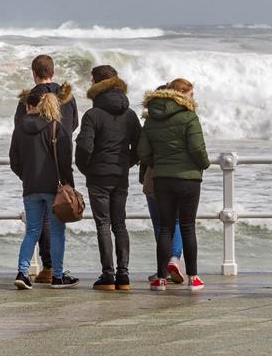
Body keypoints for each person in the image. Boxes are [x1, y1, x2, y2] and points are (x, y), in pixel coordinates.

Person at [138, 78, 211, 292]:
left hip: (162, 179)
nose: (193, 97)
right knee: (187, 227)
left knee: (165, 228)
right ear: (182, 94)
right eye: (191, 94)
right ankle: (194, 278)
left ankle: (160, 279)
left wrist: (159, 164)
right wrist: (203, 165)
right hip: (188, 179)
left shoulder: (152, 118)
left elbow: (143, 152)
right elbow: (198, 149)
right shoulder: (189, 117)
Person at [75, 65, 141, 291]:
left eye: (92, 81)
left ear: (98, 84)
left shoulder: (93, 114)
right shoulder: (130, 114)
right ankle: (123, 276)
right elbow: (139, 146)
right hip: (120, 175)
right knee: (120, 224)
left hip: (98, 176)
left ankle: (108, 275)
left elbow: (84, 146)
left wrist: (87, 168)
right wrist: (125, 163)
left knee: (103, 224)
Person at [15, 54, 78, 284]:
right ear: (53, 71)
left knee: (33, 229)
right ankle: (56, 275)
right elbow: (73, 126)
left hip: (31, 181)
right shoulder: (65, 101)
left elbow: (15, 157)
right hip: (54, 179)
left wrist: (27, 173)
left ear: (34, 72)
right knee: (57, 229)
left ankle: (24, 272)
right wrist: (67, 181)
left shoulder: (25, 106)